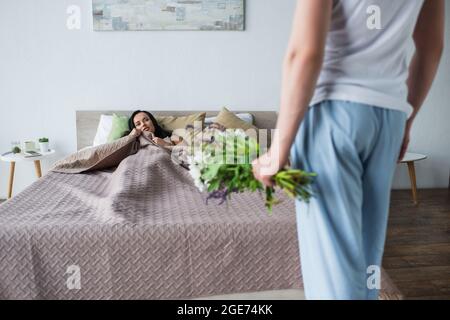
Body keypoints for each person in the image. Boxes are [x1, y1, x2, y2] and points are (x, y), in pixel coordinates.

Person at [252, 0, 444, 299]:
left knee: (332, 264)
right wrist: (407, 120)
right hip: (389, 116)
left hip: (332, 113)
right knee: (367, 255)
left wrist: (277, 150)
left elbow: (304, 54)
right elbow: (431, 48)